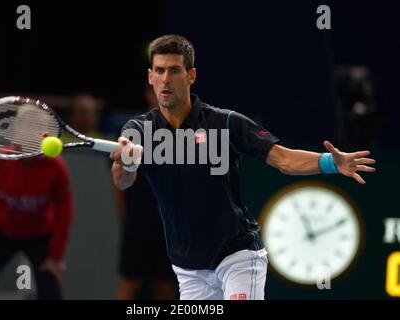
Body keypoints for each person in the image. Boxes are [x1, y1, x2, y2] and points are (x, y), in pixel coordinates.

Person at [109, 34, 376, 300]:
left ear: (191, 75)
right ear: (150, 76)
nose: (166, 78)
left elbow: (284, 159)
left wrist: (330, 162)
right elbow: (122, 180)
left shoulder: (226, 123)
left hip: (238, 256)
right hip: (189, 268)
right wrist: (128, 163)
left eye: (174, 70)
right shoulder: (138, 129)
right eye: (159, 70)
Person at [0, 155, 74, 300]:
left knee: (51, 291)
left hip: (39, 236)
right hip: (0, 233)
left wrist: (55, 256)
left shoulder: (56, 166)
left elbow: (64, 213)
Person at [115, 84, 176, 300]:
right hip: (139, 221)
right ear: (148, 94)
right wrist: (130, 216)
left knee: (165, 286)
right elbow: (119, 183)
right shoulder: (133, 130)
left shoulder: (182, 131)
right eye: (155, 89)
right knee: (130, 283)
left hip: (171, 224)